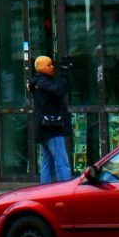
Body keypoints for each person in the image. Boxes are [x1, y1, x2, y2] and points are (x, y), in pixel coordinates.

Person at [30, 55, 72, 183]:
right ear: (42, 67)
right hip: (52, 127)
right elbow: (59, 91)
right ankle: (65, 188)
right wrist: (65, 74)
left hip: (45, 128)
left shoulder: (38, 82)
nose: (52, 67)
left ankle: (44, 189)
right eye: (49, 65)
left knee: (47, 161)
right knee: (61, 160)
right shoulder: (42, 82)